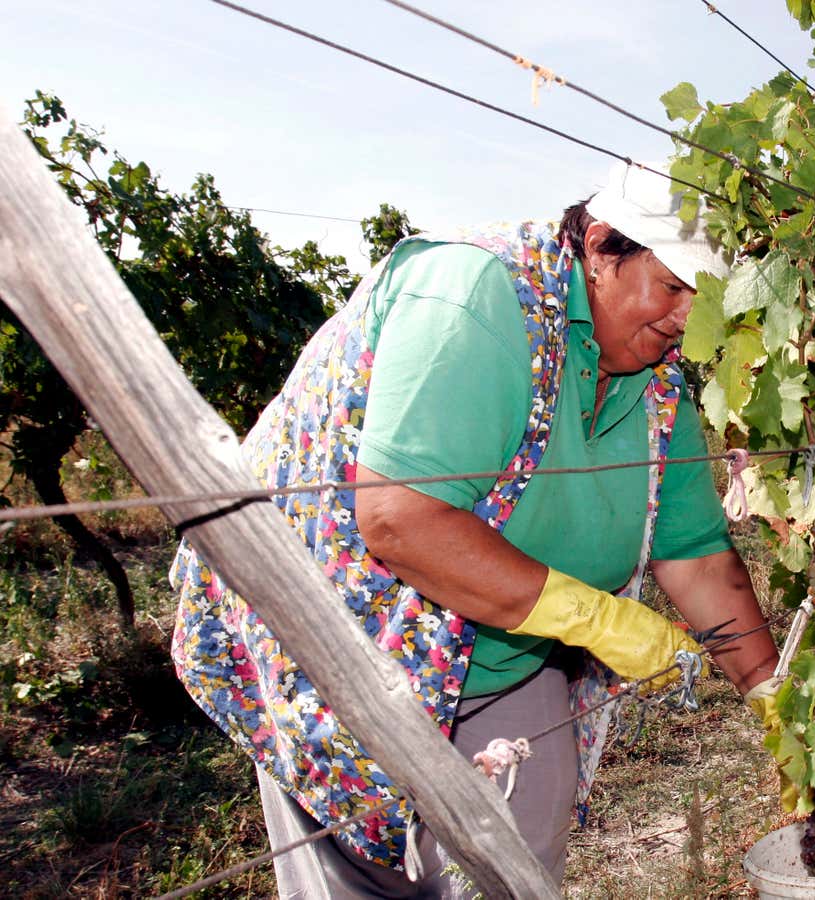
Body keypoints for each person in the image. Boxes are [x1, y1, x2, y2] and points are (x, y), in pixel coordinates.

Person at [169, 161, 780, 896]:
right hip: (344, 652)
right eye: (674, 286)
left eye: (707, 300)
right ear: (597, 245)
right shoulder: (482, 293)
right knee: (366, 877)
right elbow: (400, 518)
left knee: (520, 874)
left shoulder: (656, 381)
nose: (688, 318)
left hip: (500, 656)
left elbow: (697, 556)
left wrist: (773, 699)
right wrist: (592, 616)